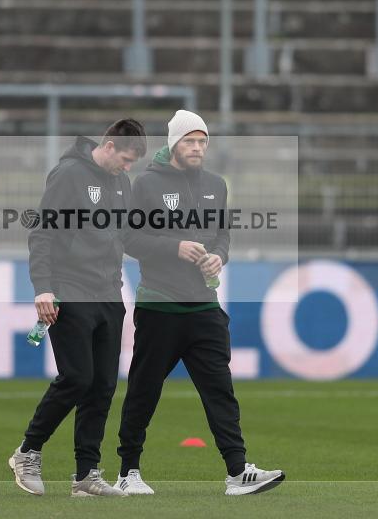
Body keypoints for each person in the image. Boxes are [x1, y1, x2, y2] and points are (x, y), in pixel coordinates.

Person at [114, 110, 285, 496]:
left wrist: (218, 257)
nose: (197, 148)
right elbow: (129, 239)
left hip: (204, 306)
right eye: (190, 141)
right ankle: (128, 472)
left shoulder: (215, 185)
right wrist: (174, 247)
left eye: (202, 141)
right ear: (174, 143)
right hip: (160, 306)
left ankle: (237, 472)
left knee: (220, 390)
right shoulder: (146, 184)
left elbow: (223, 235)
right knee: (144, 391)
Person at [8, 119, 146, 497]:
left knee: (102, 386)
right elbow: (42, 233)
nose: (127, 167)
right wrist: (43, 288)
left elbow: (125, 236)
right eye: (126, 159)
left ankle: (86, 475)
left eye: (132, 163)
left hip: (109, 293)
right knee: (77, 377)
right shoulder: (68, 174)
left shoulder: (121, 182)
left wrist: (172, 250)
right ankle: (27, 452)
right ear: (108, 145)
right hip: (70, 288)